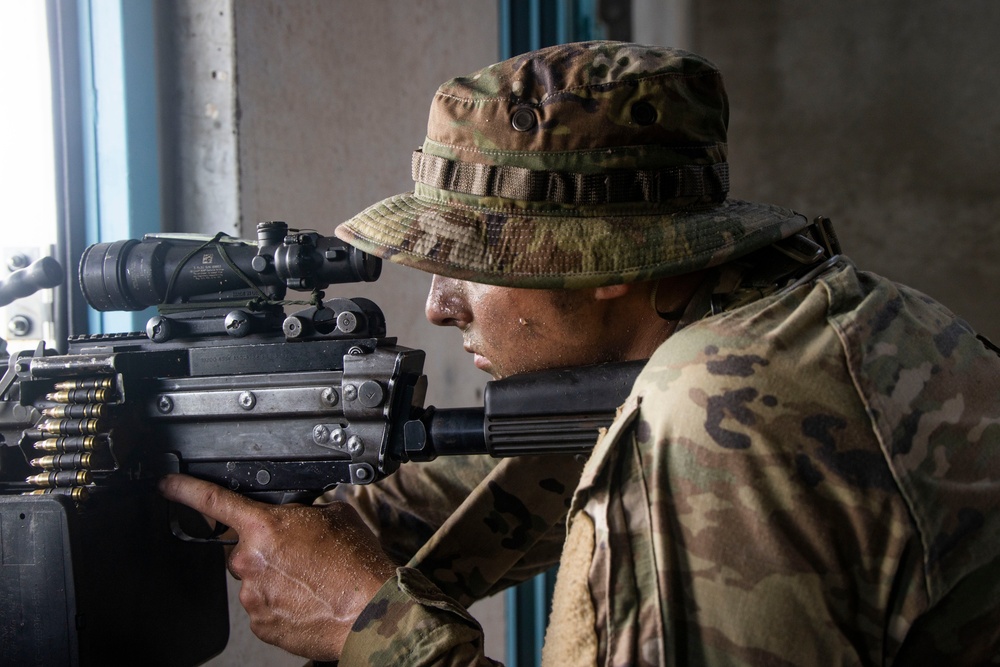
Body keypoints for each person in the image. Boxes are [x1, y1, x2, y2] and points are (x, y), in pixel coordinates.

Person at [159, 41, 1000, 665]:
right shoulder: (787, 314)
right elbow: (562, 449)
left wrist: (368, 624)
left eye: (466, 267)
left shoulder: (709, 418)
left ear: (596, 263)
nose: (440, 306)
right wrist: (325, 520)